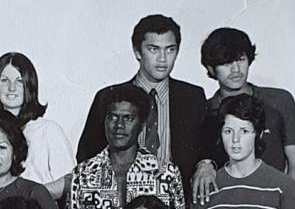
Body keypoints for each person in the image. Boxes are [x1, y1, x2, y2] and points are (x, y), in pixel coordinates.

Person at [59, 83, 192, 209]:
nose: (119, 126)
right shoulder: (83, 174)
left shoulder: (165, 174)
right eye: (112, 117)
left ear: (142, 124)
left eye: (128, 118)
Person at [77, 14, 207, 198]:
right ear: (137, 52)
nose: (162, 59)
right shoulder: (108, 97)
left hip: (176, 200)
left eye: (170, 49)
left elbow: (205, 148)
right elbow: (87, 155)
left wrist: (206, 164)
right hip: (120, 201)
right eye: (153, 49)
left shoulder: (192, 97)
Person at [192, 27, 295, 203]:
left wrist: (283, 204)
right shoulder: (204, 110)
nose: (236, 69)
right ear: (211, 69)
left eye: (240, 59)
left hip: (275, 202)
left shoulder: (279, 100)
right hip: (225, 204)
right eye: (226, 63)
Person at [0, 52, 74, 187]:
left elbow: (71, 181)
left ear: (29, 85)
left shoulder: (48, 131)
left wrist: (37, 194)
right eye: (4, 80)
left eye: (19, 81)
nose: (12, 88)